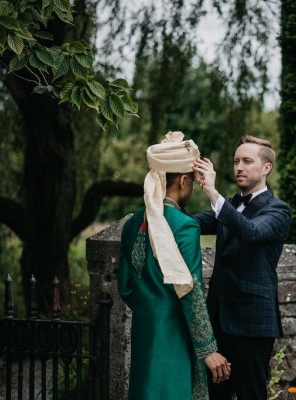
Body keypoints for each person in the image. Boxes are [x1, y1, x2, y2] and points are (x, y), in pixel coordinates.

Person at [117, 131, 231, 400]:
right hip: (176, 334)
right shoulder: (185, 225)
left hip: (145, 331)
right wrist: (207, 348)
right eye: (191, 181)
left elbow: (125, 287)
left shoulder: (133, 223)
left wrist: (151, 307)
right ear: (183, 180)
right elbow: (190, 289)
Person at [192, 135, 291, 400]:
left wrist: (213, 193)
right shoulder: (232, 205)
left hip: (253, 322)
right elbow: (193, 224)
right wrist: (163, 200)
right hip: (219, 320)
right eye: (236, 161)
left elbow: (250, 232)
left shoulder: (278, 210)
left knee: (251, 395)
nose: (239, 167)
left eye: (247, 161)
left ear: (266, 167)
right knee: (215, 395)